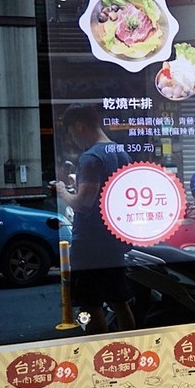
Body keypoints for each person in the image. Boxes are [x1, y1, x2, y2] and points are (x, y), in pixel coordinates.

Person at [53, 104, 136, 334]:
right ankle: (129, 347)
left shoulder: (91, 158)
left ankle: (99, 349)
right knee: (120, 302)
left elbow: (83, 203)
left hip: (90, 243)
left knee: (90, 304)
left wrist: (62, 191)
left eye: (71, 132)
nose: (73, 139)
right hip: (114, 240)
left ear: (79, 126)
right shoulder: (121, 153)